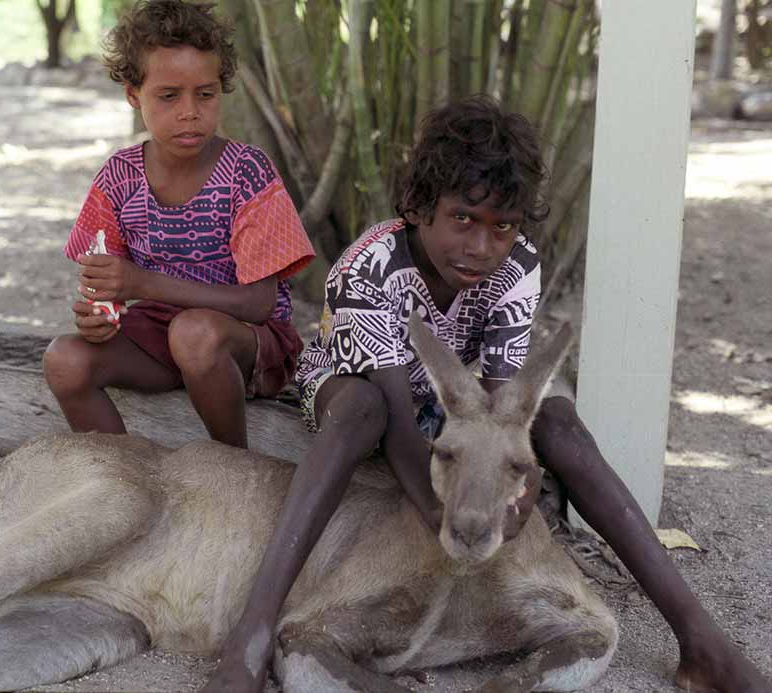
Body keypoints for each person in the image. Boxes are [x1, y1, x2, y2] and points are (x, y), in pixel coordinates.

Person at [202, 95, 771, 693]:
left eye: (502, 226)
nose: (481, 247)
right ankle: (253, 635)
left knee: (559, 424)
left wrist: (517, 488)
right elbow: (400, 430)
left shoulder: (516, 265)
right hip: (360, 390)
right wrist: (439, 513)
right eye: (463, 219)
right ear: (419, 207)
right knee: (363, 411)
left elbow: (504, 414)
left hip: (458, 403)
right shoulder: (370, 267)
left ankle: (700, 640)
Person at [43, 0, 314, 450]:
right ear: (134, 95)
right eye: (169, 96)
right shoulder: (118, 177)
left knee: (194, 332)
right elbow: (104, 285)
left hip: (247, 344)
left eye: (205, 94)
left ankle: (232, 465)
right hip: (158, 338)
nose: (190, 111)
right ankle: (124, 476)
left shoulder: (246, 172)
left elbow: (259, 304)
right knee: (64, 360)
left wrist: (142, 283)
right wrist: (96, 317)